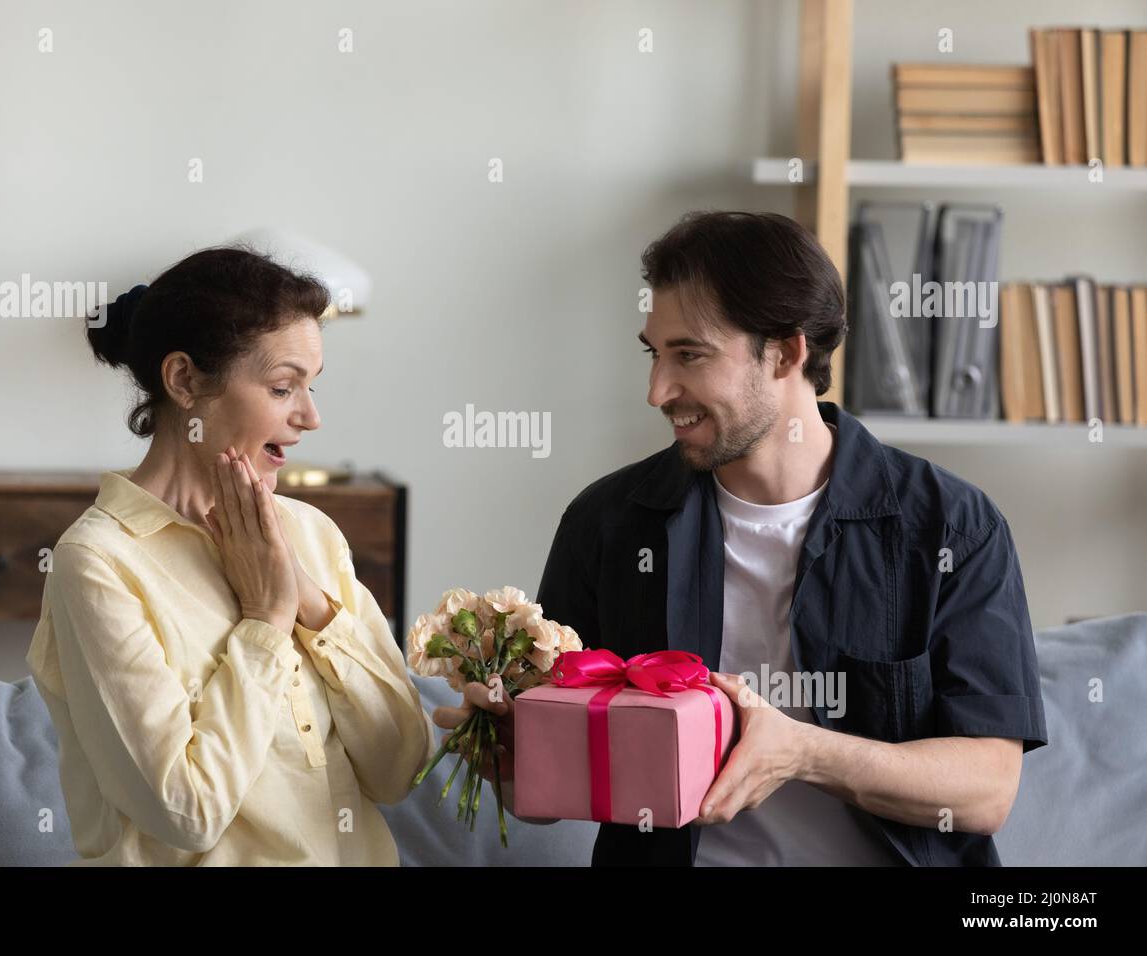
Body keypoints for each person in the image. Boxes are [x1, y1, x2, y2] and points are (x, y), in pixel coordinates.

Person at [434, 211, 1047, 866]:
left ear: (785, 353)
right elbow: (542, 796)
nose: (657, 390)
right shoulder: (609, 524)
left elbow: (986, 792)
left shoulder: (951, 527)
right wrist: (507, 752)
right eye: (654, 353)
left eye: (689, 355)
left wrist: (802, 752)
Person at [26, 247, 433, 865]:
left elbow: (400, 769)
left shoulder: (311, 533)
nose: (310, 416)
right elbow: (185, 811)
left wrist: (306, 597)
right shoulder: (97, 562)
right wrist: (267, 621)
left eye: (311, 387)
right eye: (281, 387)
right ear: (185, 380)